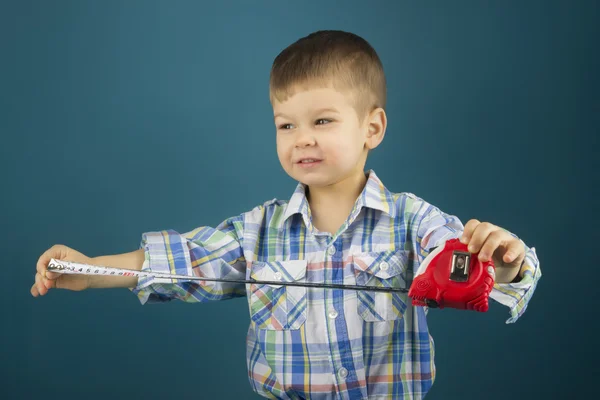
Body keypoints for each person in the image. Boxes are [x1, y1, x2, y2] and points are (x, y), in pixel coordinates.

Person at [31, 30, 541, 399]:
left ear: (373, 128)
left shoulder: (414, 220)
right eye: (286, 125)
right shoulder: (257, 231)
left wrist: (505, 262)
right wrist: (90, 270)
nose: (302, 139)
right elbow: (180, 262)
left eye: (322, 120)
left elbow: (470, 265)